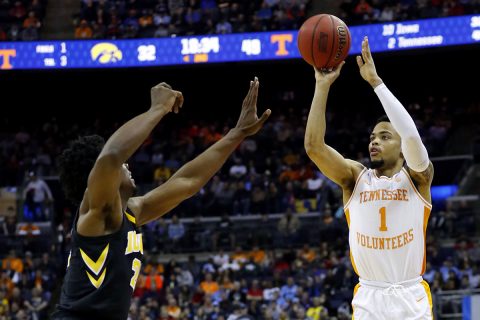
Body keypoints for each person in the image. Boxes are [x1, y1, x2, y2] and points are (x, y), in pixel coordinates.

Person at [51, 78, 270, 319]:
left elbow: (187, 181)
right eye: (122, 165)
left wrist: (237, 133)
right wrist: (158, 109)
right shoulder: (96, 218)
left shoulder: (132, 211)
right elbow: (111, 156)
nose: (127, 164)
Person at [304, 37, 434, 319]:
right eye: (372, 137)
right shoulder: (354, 178)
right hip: (369, 297)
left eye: (385, 137)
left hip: (410, 295)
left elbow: (411, 135)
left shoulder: (418, 179)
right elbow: (314, 147)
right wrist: (322, 86)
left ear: (401, 148)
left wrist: (376, 82)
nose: (374, 142)